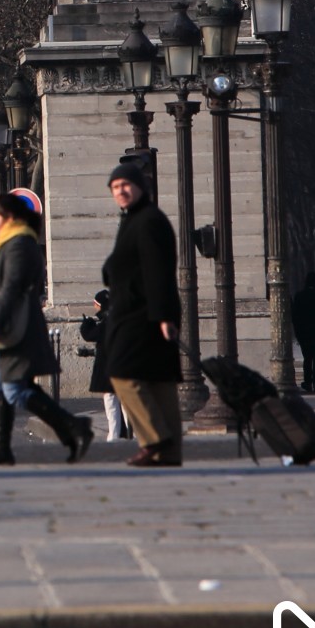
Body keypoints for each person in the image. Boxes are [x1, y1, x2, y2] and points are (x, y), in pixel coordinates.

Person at [0, 192, 93, 467]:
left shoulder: (20, 245)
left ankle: (74, 426)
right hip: (12, 326)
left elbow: (12, 287)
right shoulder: (10, 244)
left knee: (12, 389)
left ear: (10, 218)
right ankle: (5, 448)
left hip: (17, 327)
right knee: (2, 388)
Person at [101, 162, 184, 467]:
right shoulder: (137, 219)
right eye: (115, 187)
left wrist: (164, 317)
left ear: (140, 187)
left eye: (125, 185)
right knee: (159, 382)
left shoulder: (147, 221)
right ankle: (170, 453)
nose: (120, 191)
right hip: (147, 311)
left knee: (122, 374)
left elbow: (157, 271)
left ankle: (155, 438)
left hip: (142, 315)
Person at [79, 288, 131, 440]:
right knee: (125, 401)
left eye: (96, 304)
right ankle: (129, 432)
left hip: (110, 367)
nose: (95, 307)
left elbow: (90, 335)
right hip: (123, 365)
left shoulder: (107, 322)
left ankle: (114, 434)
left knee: (111, 401)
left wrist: (86, 324)